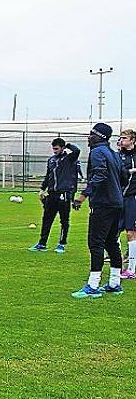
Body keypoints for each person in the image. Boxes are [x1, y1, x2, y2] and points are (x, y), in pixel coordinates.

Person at [71, 123, 127, 298]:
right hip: (117, 203)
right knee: (112, 242)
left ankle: (93, 285)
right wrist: (116, 191)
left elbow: (100, 175)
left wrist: (83, 195)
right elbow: (124, 176)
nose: (88, 137)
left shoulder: (97, 152)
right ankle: (114, 283)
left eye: (91, 134)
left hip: (103, 204)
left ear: (99, 136)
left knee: (96, 243)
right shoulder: (114, 154)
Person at [29, 138, 81, 253]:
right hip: (52, 194)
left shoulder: (69, 159)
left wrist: (68, 145)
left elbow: (77, 151)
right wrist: (42, 189)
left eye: (57, 148)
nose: (55, 151)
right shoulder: (51, 160)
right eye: (53, 148)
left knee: (64, 220)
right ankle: (42, 243)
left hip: (64, 194)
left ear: (62, 148)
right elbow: (48, 176)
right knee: (46, 219)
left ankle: (61, 244)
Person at [120, 130, 136, 280]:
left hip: (132, 199)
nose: (121, 140)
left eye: (124, 138)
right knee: (113, 232)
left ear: (132, 140)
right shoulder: (120, 155)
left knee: (131, 232)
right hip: (118, 199)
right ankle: (118, 263)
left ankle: (131, 269)